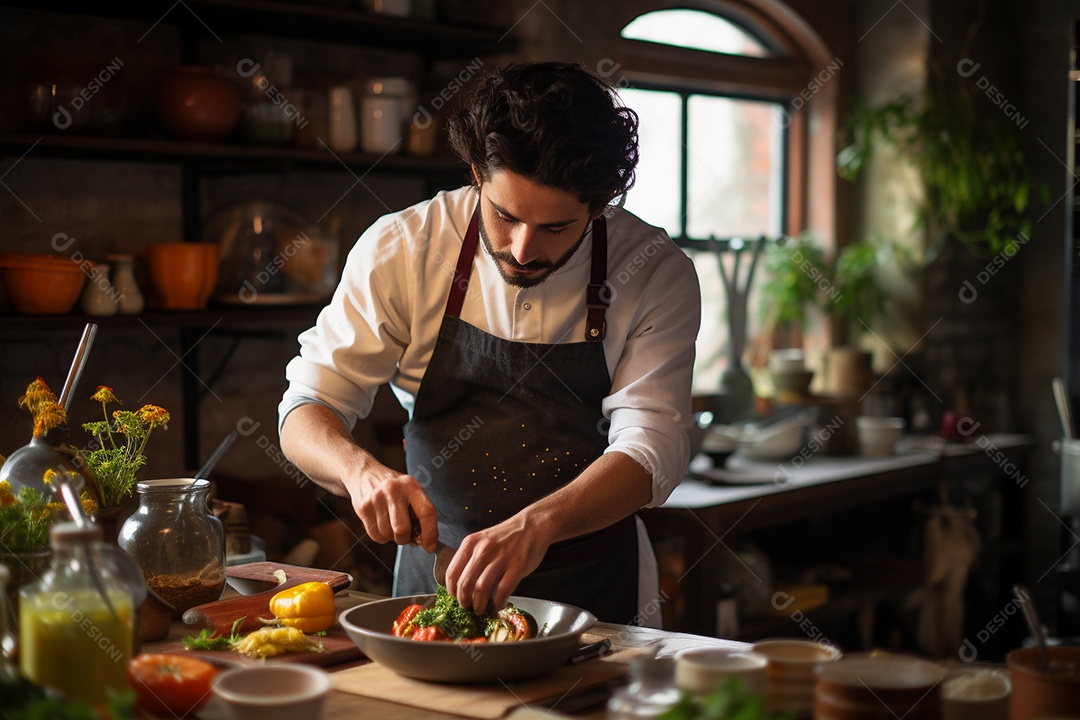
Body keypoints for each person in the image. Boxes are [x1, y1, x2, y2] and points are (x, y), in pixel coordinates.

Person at [278, 61, 701, 626]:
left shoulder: (652, 271)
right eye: (504, 216)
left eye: (556, 229)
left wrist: (539, 525)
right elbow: (306, 410)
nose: (523, 249)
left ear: (599, 205)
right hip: (432, 586)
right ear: (477, 172)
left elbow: (652, 450)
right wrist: (359, 471)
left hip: (595, 592)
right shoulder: (404, 249)